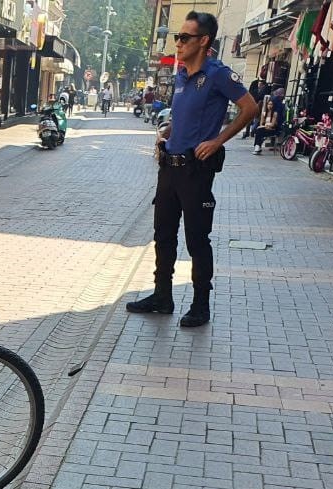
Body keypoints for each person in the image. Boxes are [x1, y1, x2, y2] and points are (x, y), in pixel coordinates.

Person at [125, 11, 258, 328]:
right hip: (169, 169)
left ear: (203, 41)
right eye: (177, 37)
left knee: (197, 239)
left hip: (195, 171)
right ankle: (162, 296)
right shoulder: (182, 76)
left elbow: (250, 107)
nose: (178, 43)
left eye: (185, 38)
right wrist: (170, 129)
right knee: (163, 235)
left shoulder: (218, 74)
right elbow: (188, 117)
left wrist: (217, 141)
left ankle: (200, 305)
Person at [252, 87, 285, 154]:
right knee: (259, 130)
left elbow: (273, 124)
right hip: (265, 128)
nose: (270, 106)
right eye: (269, 104)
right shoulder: (265, 112)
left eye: (271, 104)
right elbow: (261, 121)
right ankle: (257, 146)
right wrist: (262, 126)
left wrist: (264, 126)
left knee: (259, 131)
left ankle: (257, 147)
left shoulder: (275, 113)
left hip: (273, 129)